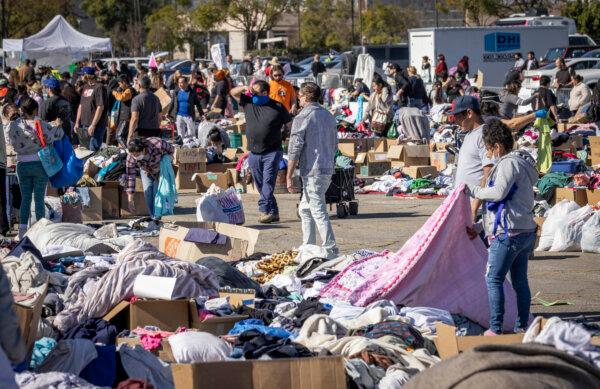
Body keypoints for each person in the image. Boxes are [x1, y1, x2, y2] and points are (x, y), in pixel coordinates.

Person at [466, 119, 537, 335]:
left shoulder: (507, 164)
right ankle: (522, 326)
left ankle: (495, 328)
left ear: (497, 146)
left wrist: (474, 191)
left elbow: (498, 194)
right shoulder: (524, 163)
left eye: (489, 149)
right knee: (519, 281)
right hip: (524, 231)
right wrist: (480, 226)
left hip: (509, 234)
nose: (488, 154)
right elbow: (508, 203)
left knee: (493, 278)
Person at [287, 82, 338, 258]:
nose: (298, 99)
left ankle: (331, 248)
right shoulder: (329, 116)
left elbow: (294, 148)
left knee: (317, 209)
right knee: (305, 209)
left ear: (306, 96)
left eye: (299, 96)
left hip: (313, 170)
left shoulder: (303, 117)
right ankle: (308, 244)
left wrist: (289, 175)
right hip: (326, 169)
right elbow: (335, 144)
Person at [230, 80, 292, 223]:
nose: (253, 95)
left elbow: (290, 125)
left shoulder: (278, 107)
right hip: (254, 153)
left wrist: (288, 138)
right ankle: (274, 212)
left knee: (268, 183)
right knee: (260, 184)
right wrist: (246, 88)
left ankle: (264, 209)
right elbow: (232, 92)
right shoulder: (249, 102)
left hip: (273, 151)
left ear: (265, 93)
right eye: (252, 92)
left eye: (256, 93)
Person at [6, 97, 64, 238]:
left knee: (25, 198)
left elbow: (8, 139)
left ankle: (22, 230)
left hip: (22, 166)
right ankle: (40, 229)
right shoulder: (41, 124)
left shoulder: (14, 125)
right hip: (39, 165)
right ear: (36, 110)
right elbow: (57, 135)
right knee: (38, 198)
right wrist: (58, 124)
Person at [451, 95, 494, 222]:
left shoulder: (483, 135)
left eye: (457, 117)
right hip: (465, 207)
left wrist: (475, 207)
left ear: (469, 113)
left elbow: (488, 173)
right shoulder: (470, 135)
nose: (455, 121)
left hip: (476, 209)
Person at [125, 137, 174, 218]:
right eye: (133, 155)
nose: (135, 157)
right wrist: (130, 199)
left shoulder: (157, 144)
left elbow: (172, 150)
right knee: (147, 193)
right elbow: (130, 176)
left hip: (161, 170)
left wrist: (167, 160)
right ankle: (153, 217)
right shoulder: (130, 157)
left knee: (157, 194)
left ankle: (157, 216)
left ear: (143, 149)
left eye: (137, 154)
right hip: (146, 171)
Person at [75, 66, 108, 151]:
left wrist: (93, 125)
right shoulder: (85, 87)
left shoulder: (99, 87)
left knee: (93, 151)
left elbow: (100, 107)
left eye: (83, 75)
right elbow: (81, 105)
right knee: (85, 151)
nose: (81, 77)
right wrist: (77, 122)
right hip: (84, 124)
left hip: (96, 126)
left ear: (89, 76)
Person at [128, 76, 162, 142]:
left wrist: (130, 136)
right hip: (154, 131)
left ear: (140, 85)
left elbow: (134, 119)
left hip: (141, 132)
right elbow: (160, 118)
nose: (135, 85)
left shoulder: (136, 99)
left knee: (141, 152)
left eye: (136, 84)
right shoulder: (156, 98)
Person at [40, 77, 72, 143]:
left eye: (46, 87)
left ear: (50, 89)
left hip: (54, 135)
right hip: (66, 131)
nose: (44, 88)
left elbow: (41, 120)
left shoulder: (47, 103)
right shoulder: (65, 99)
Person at [109, 75, 136, 146]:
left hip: (126, 117)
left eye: (120, 84)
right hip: (123, 116)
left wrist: (114, 92)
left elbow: (121, 98)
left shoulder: (130, 90)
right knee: (122, 136)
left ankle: (128, 151)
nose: (119, 86)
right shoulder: (126, 90)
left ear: (124, 82)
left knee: (119, 136)